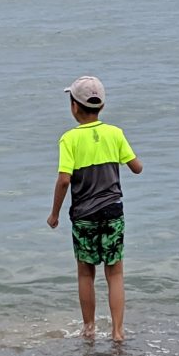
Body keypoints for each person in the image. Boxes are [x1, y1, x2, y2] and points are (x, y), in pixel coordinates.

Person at [47, 75, 143, 341]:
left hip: (84, 215)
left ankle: (89, 329)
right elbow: (137, 167)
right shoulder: (115, 133)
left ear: (74, 107)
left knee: (85, 273)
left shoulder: (69, 139)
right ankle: (117, 331)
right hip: (113, 211)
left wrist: (54, 213)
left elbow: (65, 179)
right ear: (101, 106)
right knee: (115, 272)